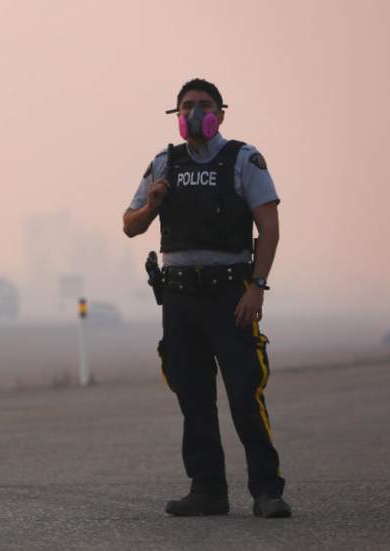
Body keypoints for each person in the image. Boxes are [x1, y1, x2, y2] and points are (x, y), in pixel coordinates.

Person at [122, 78, 292, 518]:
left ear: (221, 112)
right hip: (180, 298)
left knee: (244, 393)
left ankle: (266, 491)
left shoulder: (243, 160)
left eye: (204, 105)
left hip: (230, 295)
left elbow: (268, 228)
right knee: (193, 396)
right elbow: (130, 224)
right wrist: (153, 203)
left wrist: (257, 288)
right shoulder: (164, 163)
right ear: (175, 115)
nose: (195, 113)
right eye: (187, 106)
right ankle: (208, 490)